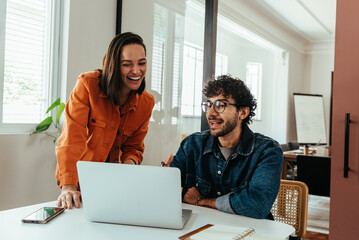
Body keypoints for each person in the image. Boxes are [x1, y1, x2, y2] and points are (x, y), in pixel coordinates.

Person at [55, 32, 155, 209]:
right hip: (79, 183)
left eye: (142, 63)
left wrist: (129, 164)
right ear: (114, 65)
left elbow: (134, 146)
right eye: (127, 64)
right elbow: (71, 137)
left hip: (115, 186)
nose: (136, 71)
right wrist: (68, 186)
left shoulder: (146, 103)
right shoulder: (87, 85)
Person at [164, 75, 283, 219]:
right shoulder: (192, 145)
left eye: (220, 105)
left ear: (243, 112)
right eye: (208, 105)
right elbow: (171, 195)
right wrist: (164, 180)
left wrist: (202, 201)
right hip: (200, 228)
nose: (211, 113)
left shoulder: (268, 151)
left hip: (250, 231)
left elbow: (257, 205)